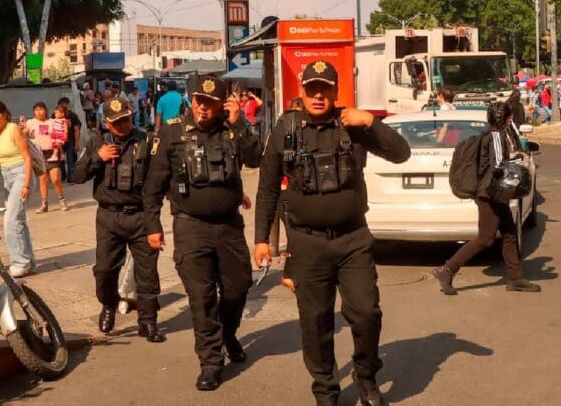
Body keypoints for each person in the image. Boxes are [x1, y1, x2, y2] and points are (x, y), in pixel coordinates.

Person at [254, 61, 411, 406]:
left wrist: (370, 121)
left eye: (326, 88)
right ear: (302, 92)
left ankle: (366, 375)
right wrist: (262, 240)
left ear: (336, 92)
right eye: (312, 89)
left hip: (353, 239)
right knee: (315, 321)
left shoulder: (352, 126)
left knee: (367, 312)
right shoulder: (286, 129)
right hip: (307, 243)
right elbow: (267, 190)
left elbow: (401, 153)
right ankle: (325, 389)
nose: (319, 95)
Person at [143, 75, 262, 391]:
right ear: (191, 101)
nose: (203, 108)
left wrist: (238, 124)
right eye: (198, 101)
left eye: (210, 103)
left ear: (221, 104)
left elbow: (256, 157)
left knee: (238, 288)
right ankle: (210, 362)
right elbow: (153, 187)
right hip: (190, 227)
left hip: (228, 226)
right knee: (202, 297)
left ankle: (228, 335)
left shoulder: (231, 131)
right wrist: (152, 226)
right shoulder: (171, 134)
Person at [72, 98, 165, 342]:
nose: (123, 124)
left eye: (126, 119)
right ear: (106, 123)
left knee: (147, 273)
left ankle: (148, 321)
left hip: (140, 215)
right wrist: (97, 158)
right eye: (116, 122)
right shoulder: (96, 143)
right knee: (104, 270)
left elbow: (161, 180)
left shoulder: (147, 141)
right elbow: (77, 175)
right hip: (108, 216)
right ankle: (109, 305)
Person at [432, 102, 540, 295]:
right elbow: (498, 165)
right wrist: (517, 161)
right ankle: (446, 269)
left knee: (509, 234)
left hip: (491, 192)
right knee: (485, 238)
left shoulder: (488, 134)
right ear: (507, 119)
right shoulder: (497, 136)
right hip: (490, 194)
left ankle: (516, 279)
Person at [0, 100, 37, 278]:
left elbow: (27, 158)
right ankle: (29, 262)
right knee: (19, 220)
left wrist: (26, 184)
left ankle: (20, 263)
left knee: (11, 220)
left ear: (4, 114)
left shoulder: (13, 129)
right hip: (7, 177)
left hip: (22, 175)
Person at [24, 102, 69, 213]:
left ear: (46, 111)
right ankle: (44, 204)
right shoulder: (30, 122)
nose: (38, 111)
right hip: (38, 154)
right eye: (36, 109)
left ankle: (62, 200)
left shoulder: (52, 121)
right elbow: (25, 133)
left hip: (51, 153)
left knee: (55, 179)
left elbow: (63, 128)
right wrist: (23, 131)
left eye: (41, 109)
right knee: (43, 179)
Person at [57, 97, 81, 183]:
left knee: (70, 158)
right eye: (62, 104)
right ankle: (63, 175)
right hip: (59, 141)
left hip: (70, 140)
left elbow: (77, 129)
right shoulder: (55, 115)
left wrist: (77, 143)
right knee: (60, 159)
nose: (64, 106)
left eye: (66, 104)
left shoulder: (72, 115)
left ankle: (70, 177)